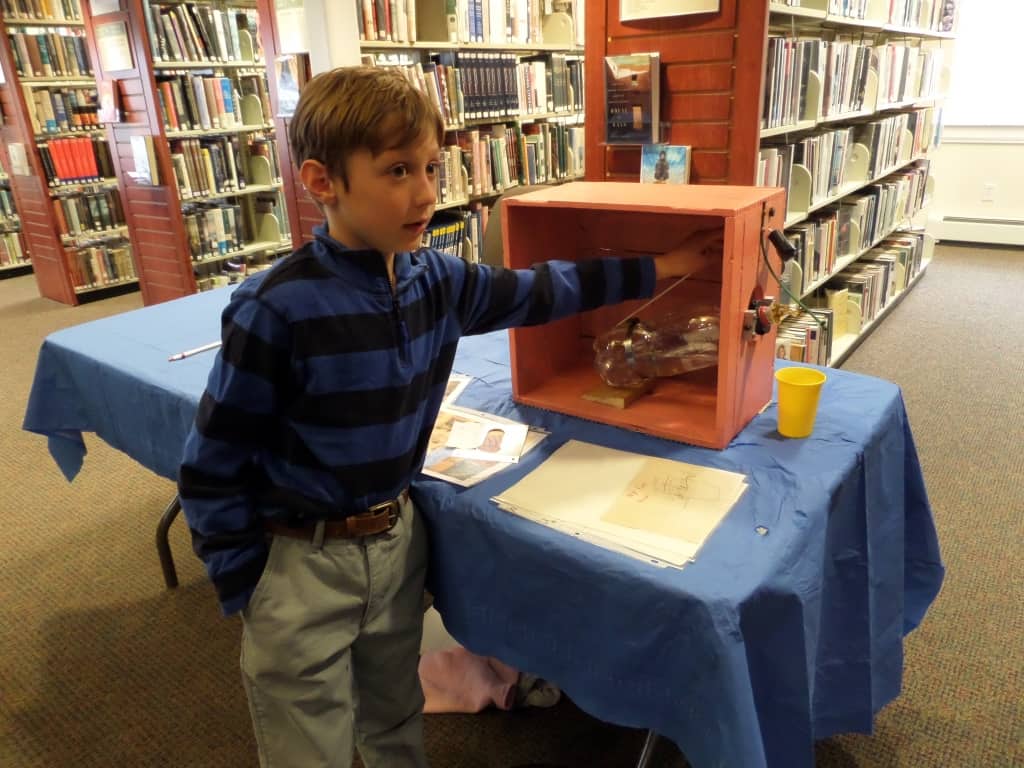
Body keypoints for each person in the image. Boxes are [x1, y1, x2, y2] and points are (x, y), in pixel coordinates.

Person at [177, 65, 721, 768]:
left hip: (396, 541)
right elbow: (212, 463)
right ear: (322, 181)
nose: (428, 192)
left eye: (433, 166)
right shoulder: (276, 308)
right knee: (305, 742)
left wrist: (659, 266)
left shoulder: (438, 279)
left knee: (395, 714)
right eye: (398, 170)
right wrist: (249, 583)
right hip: (301, 561)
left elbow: (541, 290)